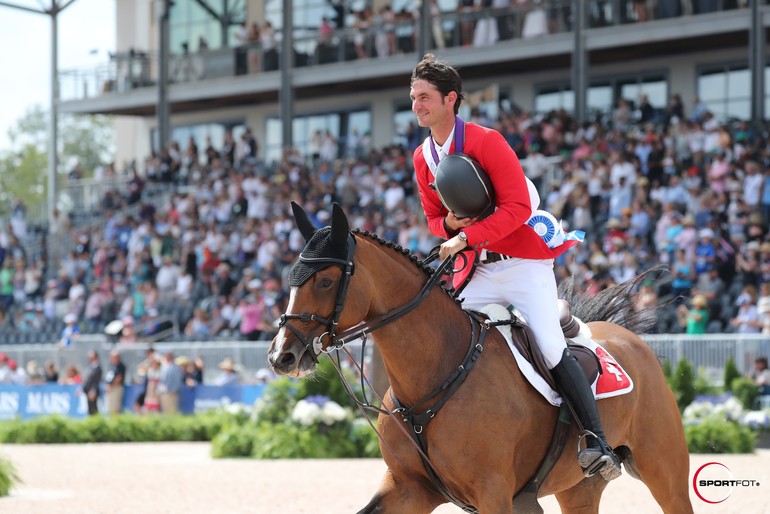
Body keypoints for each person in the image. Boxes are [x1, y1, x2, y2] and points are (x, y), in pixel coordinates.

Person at [409, 53, 621, 481]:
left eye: (425, 97)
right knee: (447, 342)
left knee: (549, 346)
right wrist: (448, 224)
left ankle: (597, 443)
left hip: (521, 264)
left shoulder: (487, 141)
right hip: (476, 272)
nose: (417, 105)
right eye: (413, 97)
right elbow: (433, 219)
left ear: (451, 99)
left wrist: (465, 236)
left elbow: (519, 207)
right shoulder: (422, 157)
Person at [104, 350, 126, 415]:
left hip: (116, 388)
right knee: (109, 408)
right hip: (110, 389)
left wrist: (111, 386)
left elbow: (119, 378)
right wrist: (107, 385)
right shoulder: (111, 366)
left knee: (116, 408)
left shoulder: (121, 366)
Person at [82, 351, 102, 415]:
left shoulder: (98, 368)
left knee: (94, 409)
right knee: (90, 410)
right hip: (88, 391)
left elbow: (96, 381)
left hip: (92, 392)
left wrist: (93, 390)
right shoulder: (91, 368)